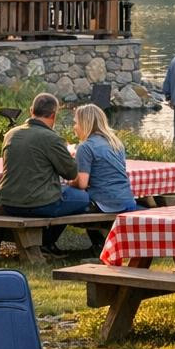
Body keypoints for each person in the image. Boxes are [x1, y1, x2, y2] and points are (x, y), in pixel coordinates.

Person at [0, 93, 88, 255]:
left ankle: (46, 243)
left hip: (8, 202)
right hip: (39, 204)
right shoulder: (51, 138)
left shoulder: (11, 134)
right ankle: (47, 241)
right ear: (54, 115)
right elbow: (70, 173)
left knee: (59, 194)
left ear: (31, 110)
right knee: (83, 198)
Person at [71, 103, 136, 250]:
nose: (74, 127)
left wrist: (70, 183)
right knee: (89, 196)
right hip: (127, 199)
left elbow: (82, 183)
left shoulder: (85, 147)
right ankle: (99, 244)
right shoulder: (115, 143)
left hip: (106, 203)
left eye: (75, 123)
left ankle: (48, 243)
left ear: (84, 123)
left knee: (70, 200)